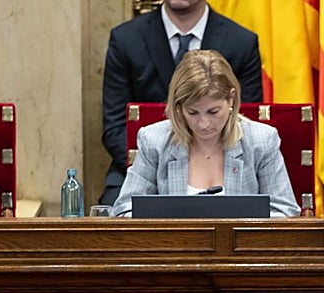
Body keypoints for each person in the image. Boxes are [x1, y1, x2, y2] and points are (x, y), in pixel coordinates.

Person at [100, 0, 262, 206]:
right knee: (113, 213)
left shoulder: (241, 41)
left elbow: (246, 119)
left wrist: (204, 164)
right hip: (140, 166)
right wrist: (154, 163)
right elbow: (114, 126)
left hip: (224, 165)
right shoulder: (125, 38)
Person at [111, 50, 299, 218]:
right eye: (193, 112)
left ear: (231, 99)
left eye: (213, 111)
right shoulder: (154, 140)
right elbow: (125, 210)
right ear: (178, 107)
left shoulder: (261, 140)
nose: (204, 124)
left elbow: (284, 212)